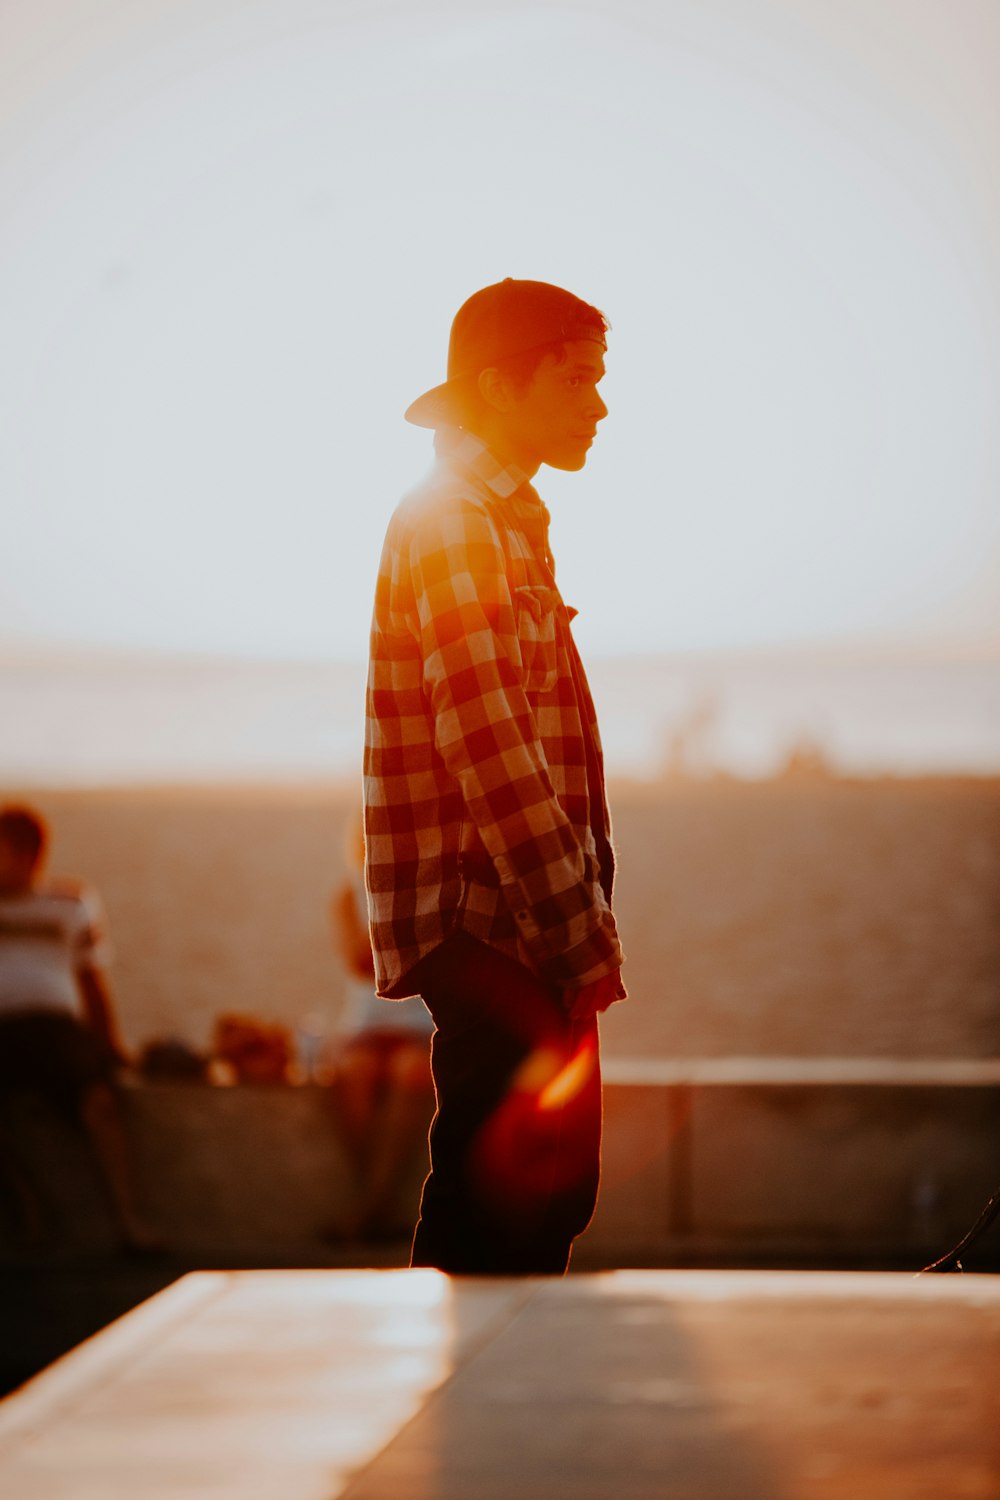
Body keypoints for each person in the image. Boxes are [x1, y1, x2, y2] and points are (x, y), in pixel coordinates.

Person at [364, 278, 626, 1274]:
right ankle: (465, 1417)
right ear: (499, 388)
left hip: (515, 917)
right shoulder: (456, 521)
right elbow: (490, 743)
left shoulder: (503, 516)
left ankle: (483, 1408)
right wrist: (575, 934)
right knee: (501, 1203)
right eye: (575, 379)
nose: (596, 405)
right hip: (493, 921)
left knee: (544, 1196)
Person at [0, 804, 160, 1252]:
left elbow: (92, 979)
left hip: (54, 1029)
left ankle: (129, 1222)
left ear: (30, 856)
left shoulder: (69, 903)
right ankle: (26, 1203)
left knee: (101, 1103)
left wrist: (109, 1042)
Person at [327, 809, 434, 1242]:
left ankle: (370, 1210)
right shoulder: (347, 895)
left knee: (410, 1073)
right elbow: (359, 962)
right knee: (353, 1075)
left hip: (419, 1021)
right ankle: (378, 1204)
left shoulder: (428, 886)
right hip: (369, 1022)